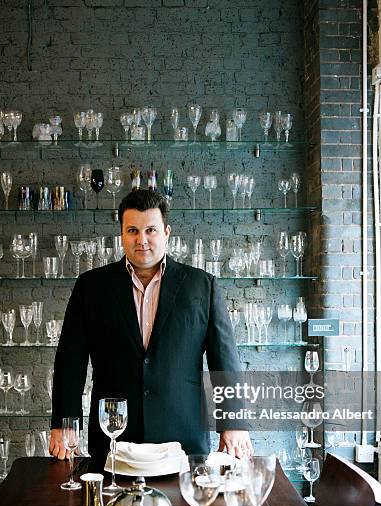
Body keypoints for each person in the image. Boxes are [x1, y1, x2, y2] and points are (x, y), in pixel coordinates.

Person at [49, 189, 252, 461]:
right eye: (132, 230)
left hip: (183, 437)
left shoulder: (202, 286)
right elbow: (69, 361)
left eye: (151, 230)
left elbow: (224, 358)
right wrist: (65, 423)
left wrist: (233, 422)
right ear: (121, 234)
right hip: (114, 437)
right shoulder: (91, 287)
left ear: (166, 232)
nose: (141, 240)